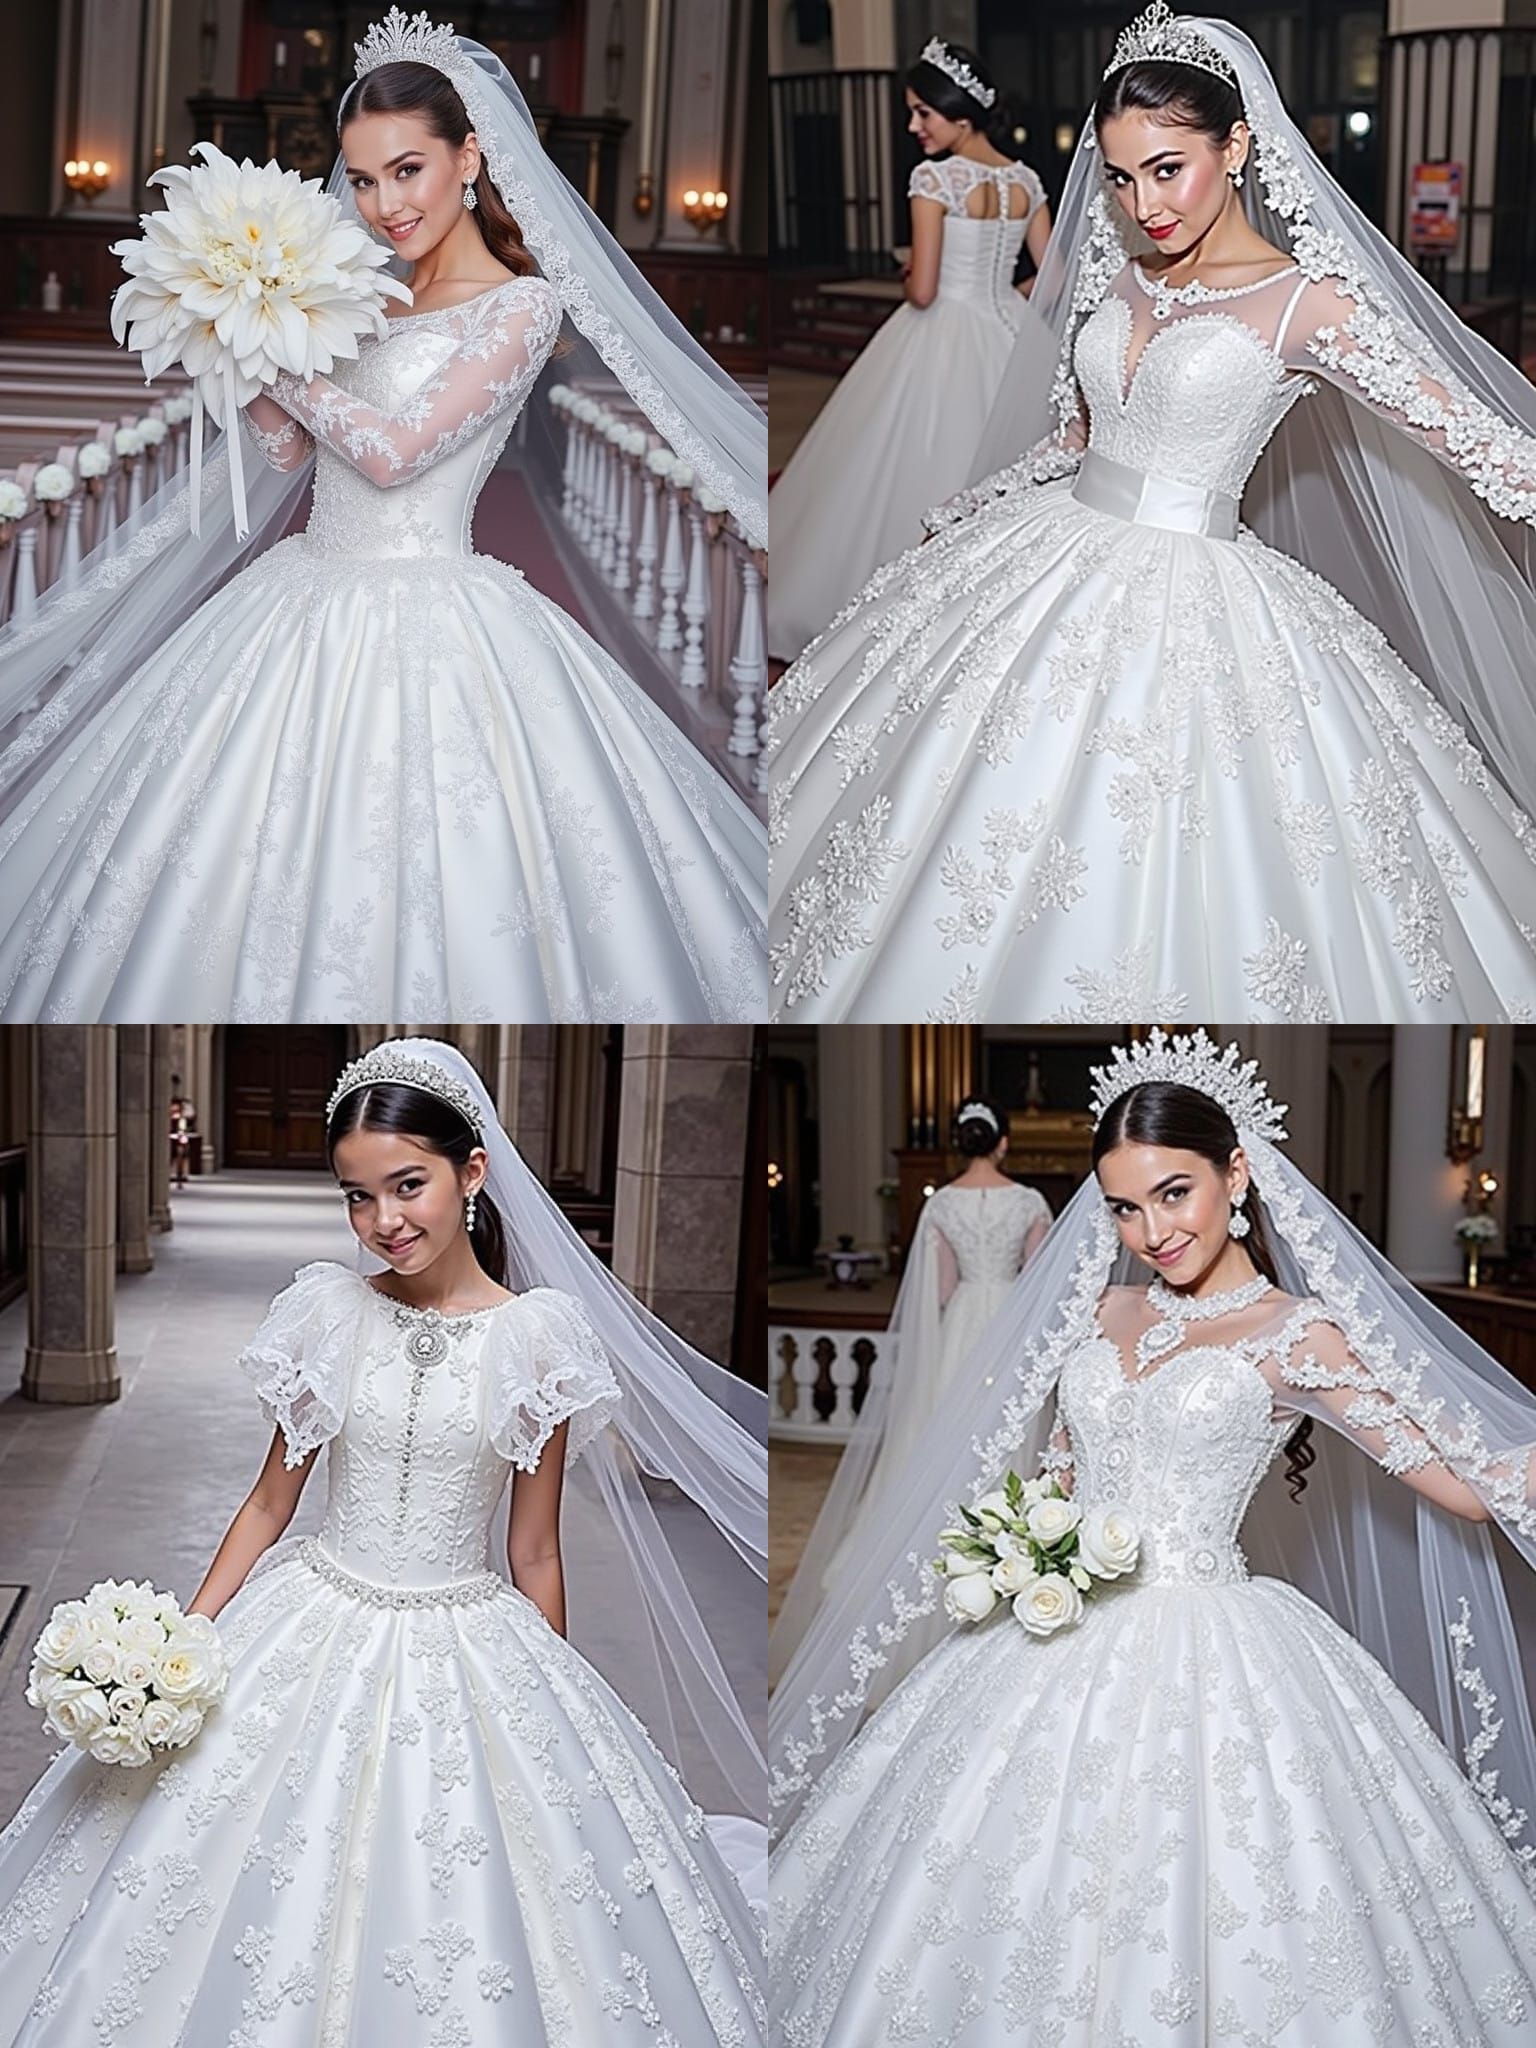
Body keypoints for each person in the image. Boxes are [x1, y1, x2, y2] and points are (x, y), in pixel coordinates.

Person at [766, 5, 1536, 1023]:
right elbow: (1080, 443)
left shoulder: (1308, 305)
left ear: (1238, 148)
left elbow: (1483, 444)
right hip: (1043, 553)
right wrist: (974, 501)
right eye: (1123, 178)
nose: (1143, 204)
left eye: (1168, 169)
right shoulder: (1125, 275)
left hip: (1197, 591)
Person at [0, 12, 767, 1025]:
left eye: (407, 170)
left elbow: (397, 452)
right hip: (303, 587)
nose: (384, 203)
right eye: (362, 180)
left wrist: (279, 348)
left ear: (470, 157)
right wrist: (229, 352)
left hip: (436, 603)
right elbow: (291, 453)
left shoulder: (522, 307)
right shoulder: (363, 292)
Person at [769, 1030, 1536, 2039]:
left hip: (1219, 1640)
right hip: (1052, 1630)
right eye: (1127, 1206)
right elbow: (1064, 1474)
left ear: (1238, 1171)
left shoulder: (1299, 1332)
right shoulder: (1103, 1306)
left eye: (1174, 1193)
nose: (1152, 1231)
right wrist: (1029, 1544)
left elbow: (1470, 1489)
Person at [0, 1038, 767, 2043]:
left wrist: (552, 1699)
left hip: (467, 1623)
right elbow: (271, 1500)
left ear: (473, 1172)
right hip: (312, 1605)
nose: (384, 1222)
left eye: (408, 1185)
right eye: (358, 1195)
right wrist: (181, 1637)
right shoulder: (330, 1312)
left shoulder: (537, 1336)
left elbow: (534, 1547)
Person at [768, 39, 1055, 663]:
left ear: (960, 113)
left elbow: (923, 290)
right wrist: (1006, 292)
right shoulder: (1025, 180)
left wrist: (910, 276)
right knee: (997, 467)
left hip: (942, 330)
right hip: (1004, 328)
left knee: (906, 465)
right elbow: (1051, 274)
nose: (913, 126)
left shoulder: (935, 178)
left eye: (923, 112)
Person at [770, 1095, 1050, 1684]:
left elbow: (939, 1288)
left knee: (949, 1446)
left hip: (961, 1329)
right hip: (1009, 1326)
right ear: (1002, 1142)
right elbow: (1041, 1282)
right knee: (1009, 1441)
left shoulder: (941, 1205)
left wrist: (959, 1316)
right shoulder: (1029, 1202)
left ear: (962, 1142)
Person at [167, 1084, 194, 1188]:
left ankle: (180, 1175)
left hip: (180, 1134)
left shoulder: (185, 1107)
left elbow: (190, 1117)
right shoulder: (169, 1108)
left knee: (181, 1153)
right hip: (170, 1134)